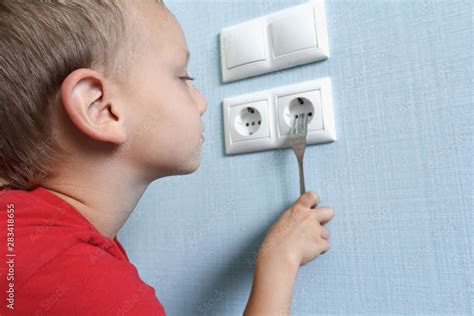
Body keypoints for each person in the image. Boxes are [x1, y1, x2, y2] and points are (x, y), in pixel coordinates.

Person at [0, 0, 334, 315]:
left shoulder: (22, 231)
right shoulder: (85, 287)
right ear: (100, 108)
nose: (202, 102)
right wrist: (280, 264)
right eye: (183, 77)